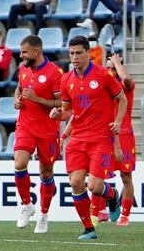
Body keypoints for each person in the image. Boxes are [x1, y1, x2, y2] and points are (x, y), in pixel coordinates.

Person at [51, 36, 127, 240]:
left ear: (88, 53)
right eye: (71, 53)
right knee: (75, 183)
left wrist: (118, 122)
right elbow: (68, 112)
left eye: (78, 53)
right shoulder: (66, 79)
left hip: (101, 138)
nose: (74, 57)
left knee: (94, 186)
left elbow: (122, 99)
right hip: (77, 140)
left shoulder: (103, 75)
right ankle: (88, 229)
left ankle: (112, 196)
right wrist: (59, 114)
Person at [12, 35, 64, 233]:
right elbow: (19, 89)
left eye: (24, 52)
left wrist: (37, 99)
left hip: (48, 130)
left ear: (36, 52)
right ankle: (26, 205)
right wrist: (17, 100)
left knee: (46, 172)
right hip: (25, 124)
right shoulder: (23, 68)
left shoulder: (54, 73)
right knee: (19, 163)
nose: (21, 55)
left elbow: (62, 103)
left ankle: (43, 214)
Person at [105, 54, 136, 227]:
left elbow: (127, 80)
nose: (112, 71)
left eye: (114, 68)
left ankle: (125, 215)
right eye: (108, 68)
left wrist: (116, 62)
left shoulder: (125, 85)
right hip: (104, 135)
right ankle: (99, 211)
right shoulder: (103, 85)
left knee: (126, 176)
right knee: (97, 174)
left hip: (124, 135)